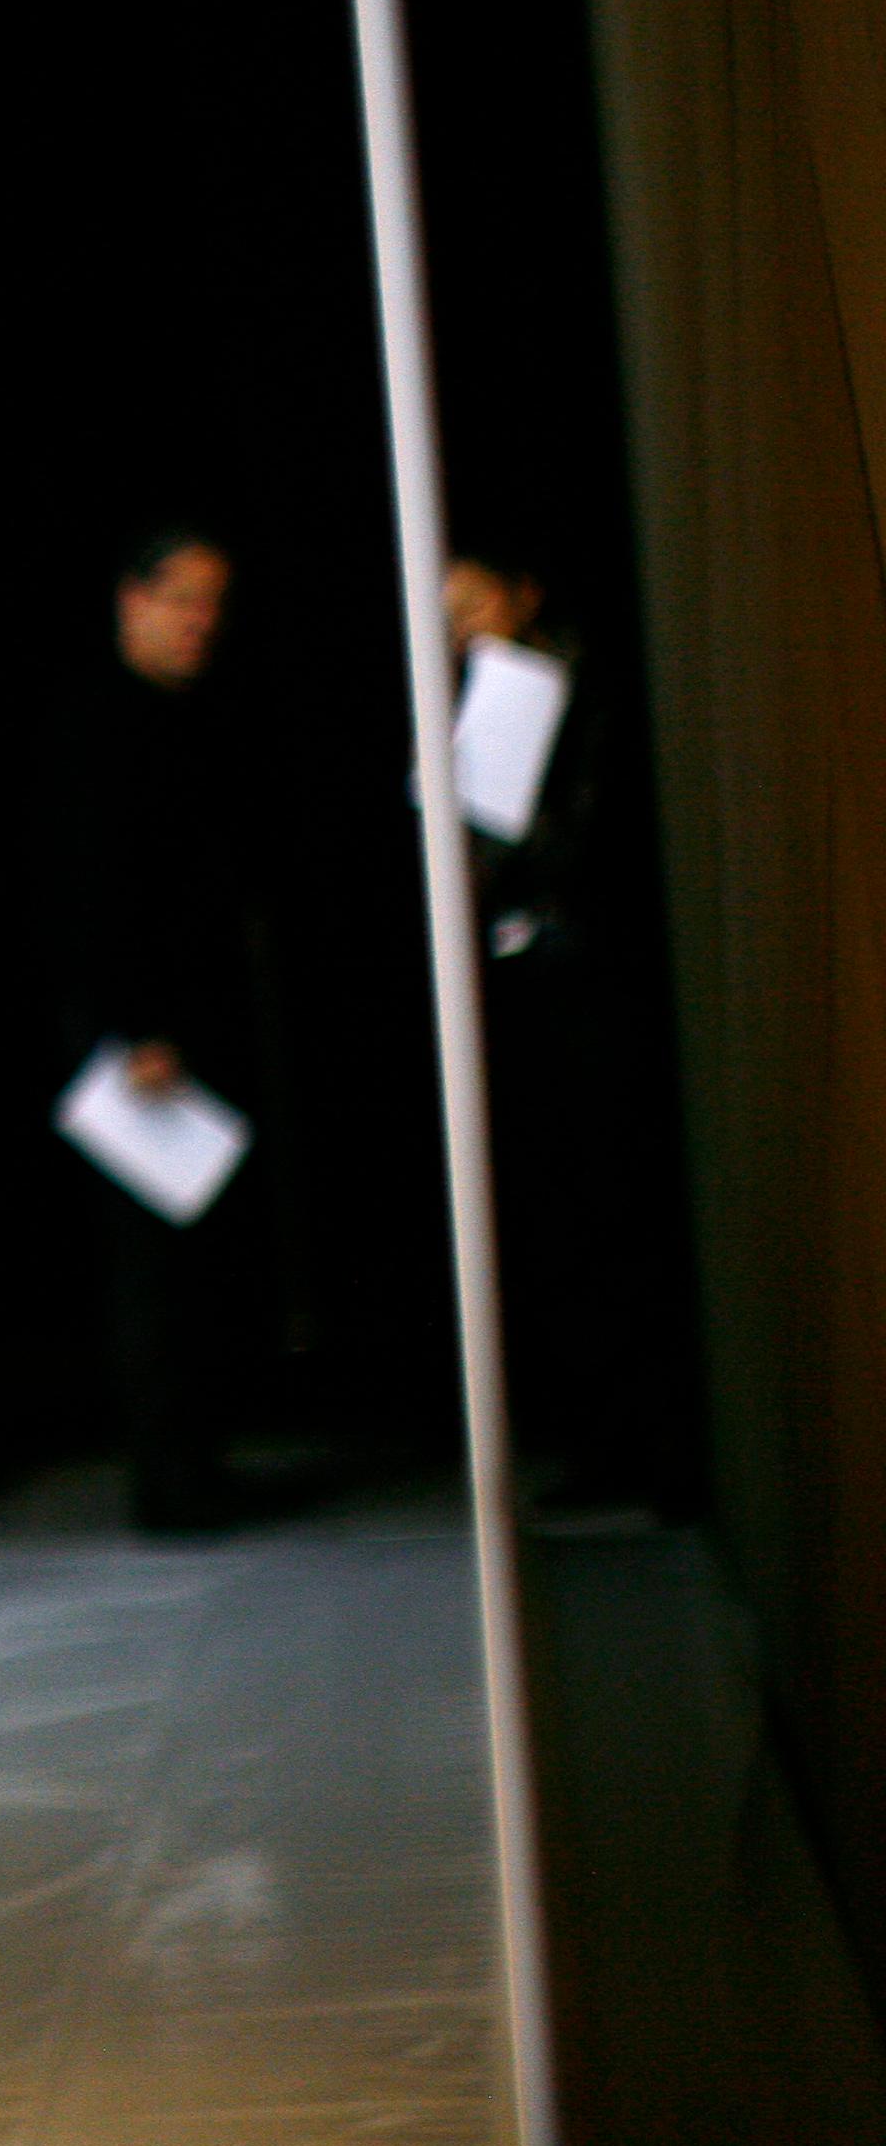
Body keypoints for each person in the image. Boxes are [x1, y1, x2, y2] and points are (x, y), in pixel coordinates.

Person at [47, 524, 295, 1531]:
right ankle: (171, 1476)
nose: (202, 622)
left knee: (200, 1258)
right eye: (183, 599)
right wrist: (133, 1026)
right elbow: (86, 895)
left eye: (213, 604)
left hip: (189, 1023)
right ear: (131, 600)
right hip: (136, 1036)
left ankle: (198, 1461)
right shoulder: (93, 728)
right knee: (154, 1266)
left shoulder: (187, 719)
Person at [445, 550, 683, 1509]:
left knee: (622, 1210)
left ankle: (655, 1451)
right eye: (446, 614)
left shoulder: (573, 692)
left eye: (472, 606)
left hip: (593, 977)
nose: (461, 630)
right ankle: (603, 1444)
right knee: (563, 1223)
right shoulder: (483, 701)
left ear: (524, 592)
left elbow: (576, 842)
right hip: (527, 984)